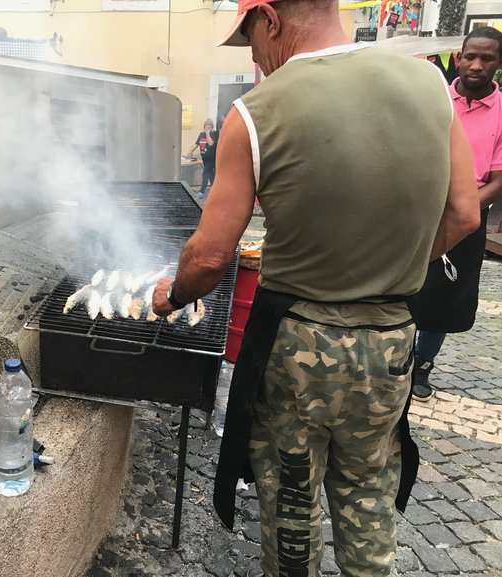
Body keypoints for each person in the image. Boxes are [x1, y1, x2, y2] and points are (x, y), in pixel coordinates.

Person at [151, 0, 480, 575]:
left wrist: (171, 296)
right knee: (369, 490)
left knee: (294, 504)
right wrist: (394, 266)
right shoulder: (431, 83)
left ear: (271, 20)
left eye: (250, 37)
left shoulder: (254, 112)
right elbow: (463, 215)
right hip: (392, 342)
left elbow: (208, 256)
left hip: (298, 348)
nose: (253, 56)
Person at [412, 26, 502, 401]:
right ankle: (394, 359)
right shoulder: (433, 100)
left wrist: (459, 210)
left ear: (498, 63)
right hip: (417, 217)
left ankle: (422, 365)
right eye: (470, 56)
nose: (476, 65)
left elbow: (498, 181)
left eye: (487, 58)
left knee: (443, 303)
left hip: (466, 223)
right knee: (400, 291)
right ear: (459, 58)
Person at [188, 119, 218, 197]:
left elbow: (211, 143)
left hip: (211, 159)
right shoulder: (201, 134)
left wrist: (208, 133)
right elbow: (196, 144)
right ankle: (215, 191)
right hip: (205, 159)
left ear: (212, 127)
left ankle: (201, 192)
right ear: (204, 126)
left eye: (210, 125)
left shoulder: (214, 134)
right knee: (211, 175)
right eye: (207, 125)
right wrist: (190, 151)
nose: (208, 127)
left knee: (205, 174)